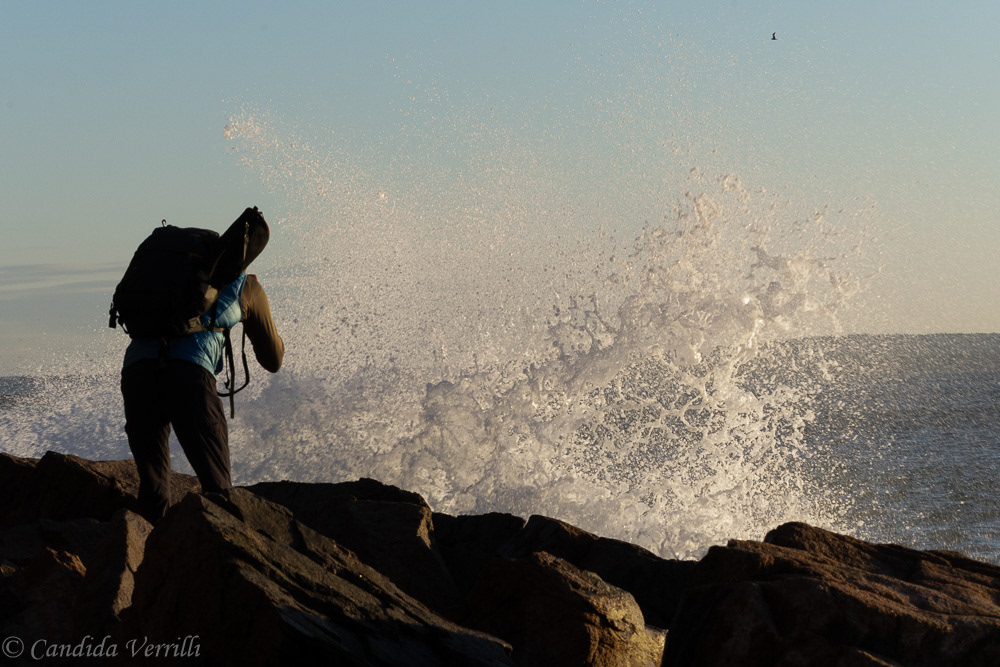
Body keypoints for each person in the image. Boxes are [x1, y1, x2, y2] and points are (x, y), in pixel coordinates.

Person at [120, 272, 283, 522]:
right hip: (189, 375)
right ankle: (226, 554)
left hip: (137, 372)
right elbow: (273, 360)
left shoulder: (165, 278)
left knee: (153, 491)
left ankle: (151, 554)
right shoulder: (245, 284)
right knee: (218, 489)